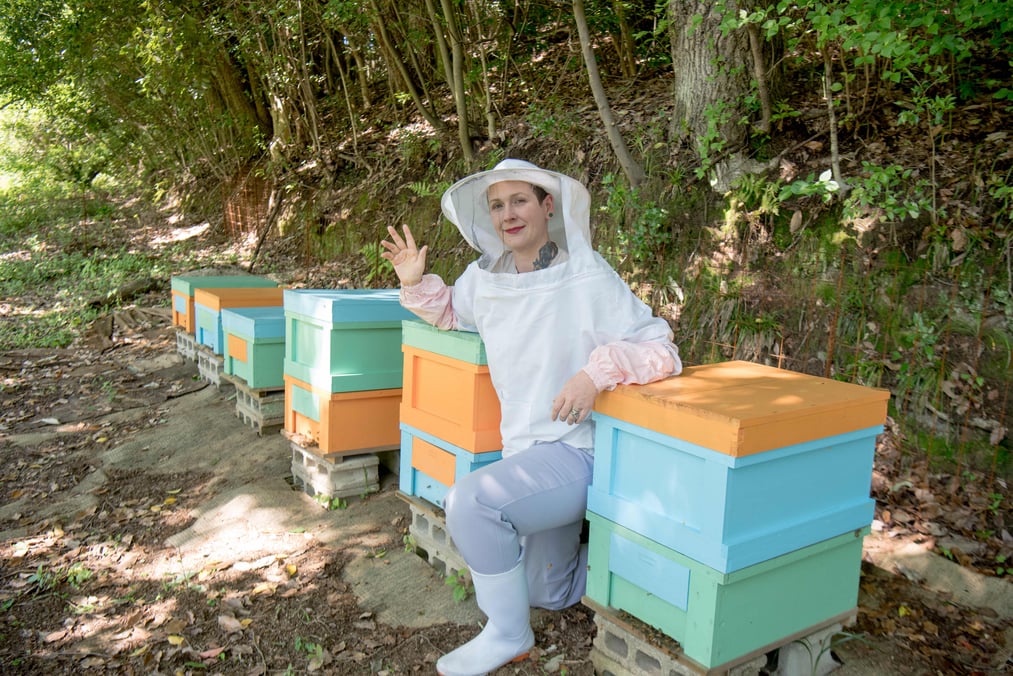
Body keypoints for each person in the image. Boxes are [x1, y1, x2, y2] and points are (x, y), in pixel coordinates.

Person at [381, 159, 682, 676]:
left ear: (548, 205)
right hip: (525, 452)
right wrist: (416, 282)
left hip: (578, 449)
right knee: (548, 589)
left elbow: (661, 348)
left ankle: (507, 634)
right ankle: (659, 566)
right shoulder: (484, 277)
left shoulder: (587, 274)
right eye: (497, 205)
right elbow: (454, 313)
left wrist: (595, 375)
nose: (507, 215)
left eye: (519, 200)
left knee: (471, 504)